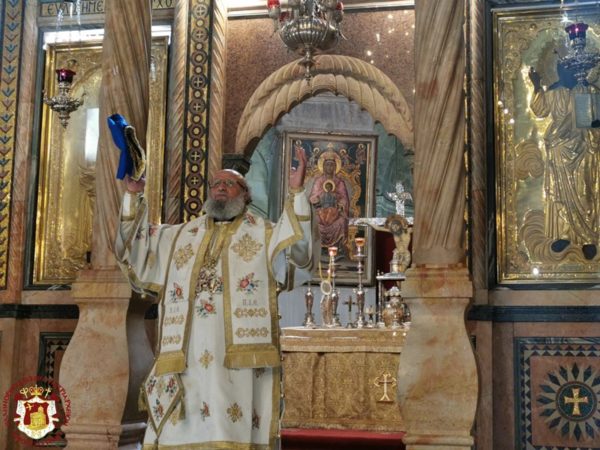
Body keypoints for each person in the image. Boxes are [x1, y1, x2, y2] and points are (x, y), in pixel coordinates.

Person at [115, 146, 312, 449]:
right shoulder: (180, 236)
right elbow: (137, 246)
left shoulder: (264, 234)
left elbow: (299, 252)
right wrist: (132, 195)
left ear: (245, 195)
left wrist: (297, 193)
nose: (221, 187)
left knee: (230, 423)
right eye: (216, 183)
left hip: (235, 356)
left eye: (230, 183)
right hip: (187, 354)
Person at [529, 63, 600, 260]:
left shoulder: (588, 90)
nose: (566, 72)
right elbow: (539, 110)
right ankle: (562, 235)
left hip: (583, 148)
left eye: (571, 68)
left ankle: (587, 238)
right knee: (559, 192)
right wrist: (537, 86)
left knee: (584, 190)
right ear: (559, 71)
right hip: (559, 149)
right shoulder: (553, 92)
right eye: (563, 68)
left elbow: (596, 116)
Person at [308, 150, 349, 252]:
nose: (329, 167)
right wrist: (318, 199)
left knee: (342, 221)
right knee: (315, 220)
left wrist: (338, 200)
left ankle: (337, 247)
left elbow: (344, 198)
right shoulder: (318, 181)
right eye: (327, 165)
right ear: (323, 166)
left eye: (331, 165)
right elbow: (312, 197)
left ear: (335, 167)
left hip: (335, 212)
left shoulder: (339, 182)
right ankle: (318, 248)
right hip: (320, 211)